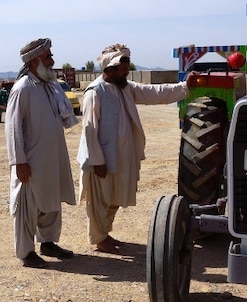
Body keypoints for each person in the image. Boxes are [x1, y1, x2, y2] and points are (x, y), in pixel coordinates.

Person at [77, 44, 189, 254]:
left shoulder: (125, 87)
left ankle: (105, 233)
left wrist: (184, 87)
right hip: (100, 160)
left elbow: (154, 93)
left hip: (122, 158)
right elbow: (89, 130)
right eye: (123, 68)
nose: (126, 72)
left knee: (115, 199)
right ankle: (99, 239)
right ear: (110, 69)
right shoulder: (95, 93)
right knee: (99, 201)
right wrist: (97, 160)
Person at [5, 38, 79, 268]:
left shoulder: (49, 86)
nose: (52, 60)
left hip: (53, 158)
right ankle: (26, 252)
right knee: (28, 205)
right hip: (32, 161)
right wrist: (19, 161)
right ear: (35, 61)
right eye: (48, 57)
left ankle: (48, 242)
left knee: (52, 200)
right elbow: (13, 127)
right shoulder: (23, 88)